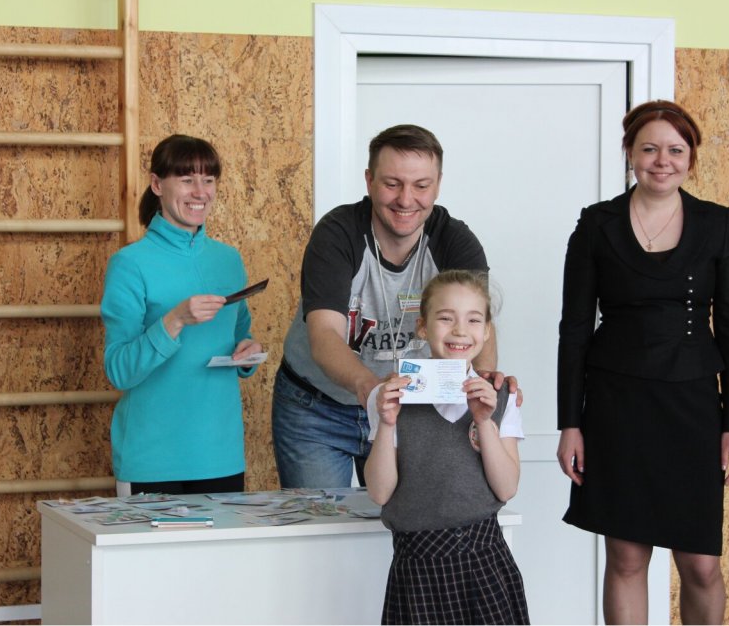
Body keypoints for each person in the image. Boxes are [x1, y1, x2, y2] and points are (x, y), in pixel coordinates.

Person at [556, 100, 729, 625]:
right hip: (617, 407)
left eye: (675, 150)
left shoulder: (716, 224)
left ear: (691, 157)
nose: (662, 161)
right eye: (649, 149)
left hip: (693, 407)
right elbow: (575, 329)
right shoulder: (596, 224)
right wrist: (570, 423)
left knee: (702, 565)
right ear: (630, 153)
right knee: (626, 557)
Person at [273, 123, 516, 488]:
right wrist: (372, 391)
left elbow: (479, 326)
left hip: (410, 407)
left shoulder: (455, 241)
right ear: (369, 180)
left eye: (421, 185)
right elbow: (324, 336)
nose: (406, 199)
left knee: (404, 514)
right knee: (320, 517)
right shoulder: (337, 234)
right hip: (317, 407)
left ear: (438, 184)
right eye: (392, 184)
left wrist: (482, 383)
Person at [101, 134, 263, 496]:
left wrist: (248, 352)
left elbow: (241, 335)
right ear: (157, 185)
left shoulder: (228, 260)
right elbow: (118, 371)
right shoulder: (129, 264)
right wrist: (173, 321)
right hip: (151, 460)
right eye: (187, 179)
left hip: (221, 456)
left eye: (209, 180)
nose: (200, 192)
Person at [365, 269, 529, 625]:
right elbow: (379, 492)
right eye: (445, 318)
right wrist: (388, 422)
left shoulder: (501, 396)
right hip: (416, 568)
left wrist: (484, 421)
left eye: (473, 320)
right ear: (423, 327)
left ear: (487, 331)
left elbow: (506, 488)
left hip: (485, 563)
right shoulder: (388, 396)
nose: (459, 330)